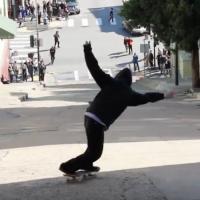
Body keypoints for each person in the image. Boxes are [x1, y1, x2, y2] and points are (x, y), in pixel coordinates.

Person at [59, 41, 174, 174]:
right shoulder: (129, 94)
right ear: (129, 82)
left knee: (92, 149)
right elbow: (147, 97)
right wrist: (164, 95)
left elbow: (94, 68)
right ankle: (68, 166)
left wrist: (87, 50)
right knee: (95, 153)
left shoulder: (110, 82)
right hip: (97, 122)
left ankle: (87, 164)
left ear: (119, 76)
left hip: (89, 117)